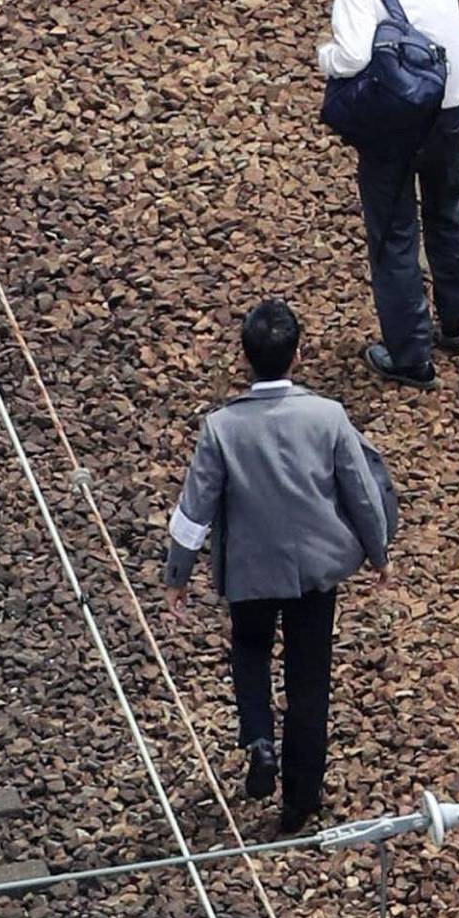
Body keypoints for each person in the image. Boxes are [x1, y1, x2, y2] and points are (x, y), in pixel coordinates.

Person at [163, 295, 391, 836]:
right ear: (297, 355)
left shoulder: (221, 429)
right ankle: (300, 799)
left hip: (249, 573)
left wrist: (178, 574)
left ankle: (259, 738)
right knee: (310, 680)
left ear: (246, 359)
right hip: (315, 573)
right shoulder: (327, 417)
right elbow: (360, 493)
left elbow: (194, 508)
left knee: (249, 650)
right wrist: (378, 553)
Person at [320, 0, 459, 386]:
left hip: (395, 123)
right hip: (448, 107)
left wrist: (322, 57)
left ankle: (411, 356)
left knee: (393, 233)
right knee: (446, 211)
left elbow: (349, 57)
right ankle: (453, 320)